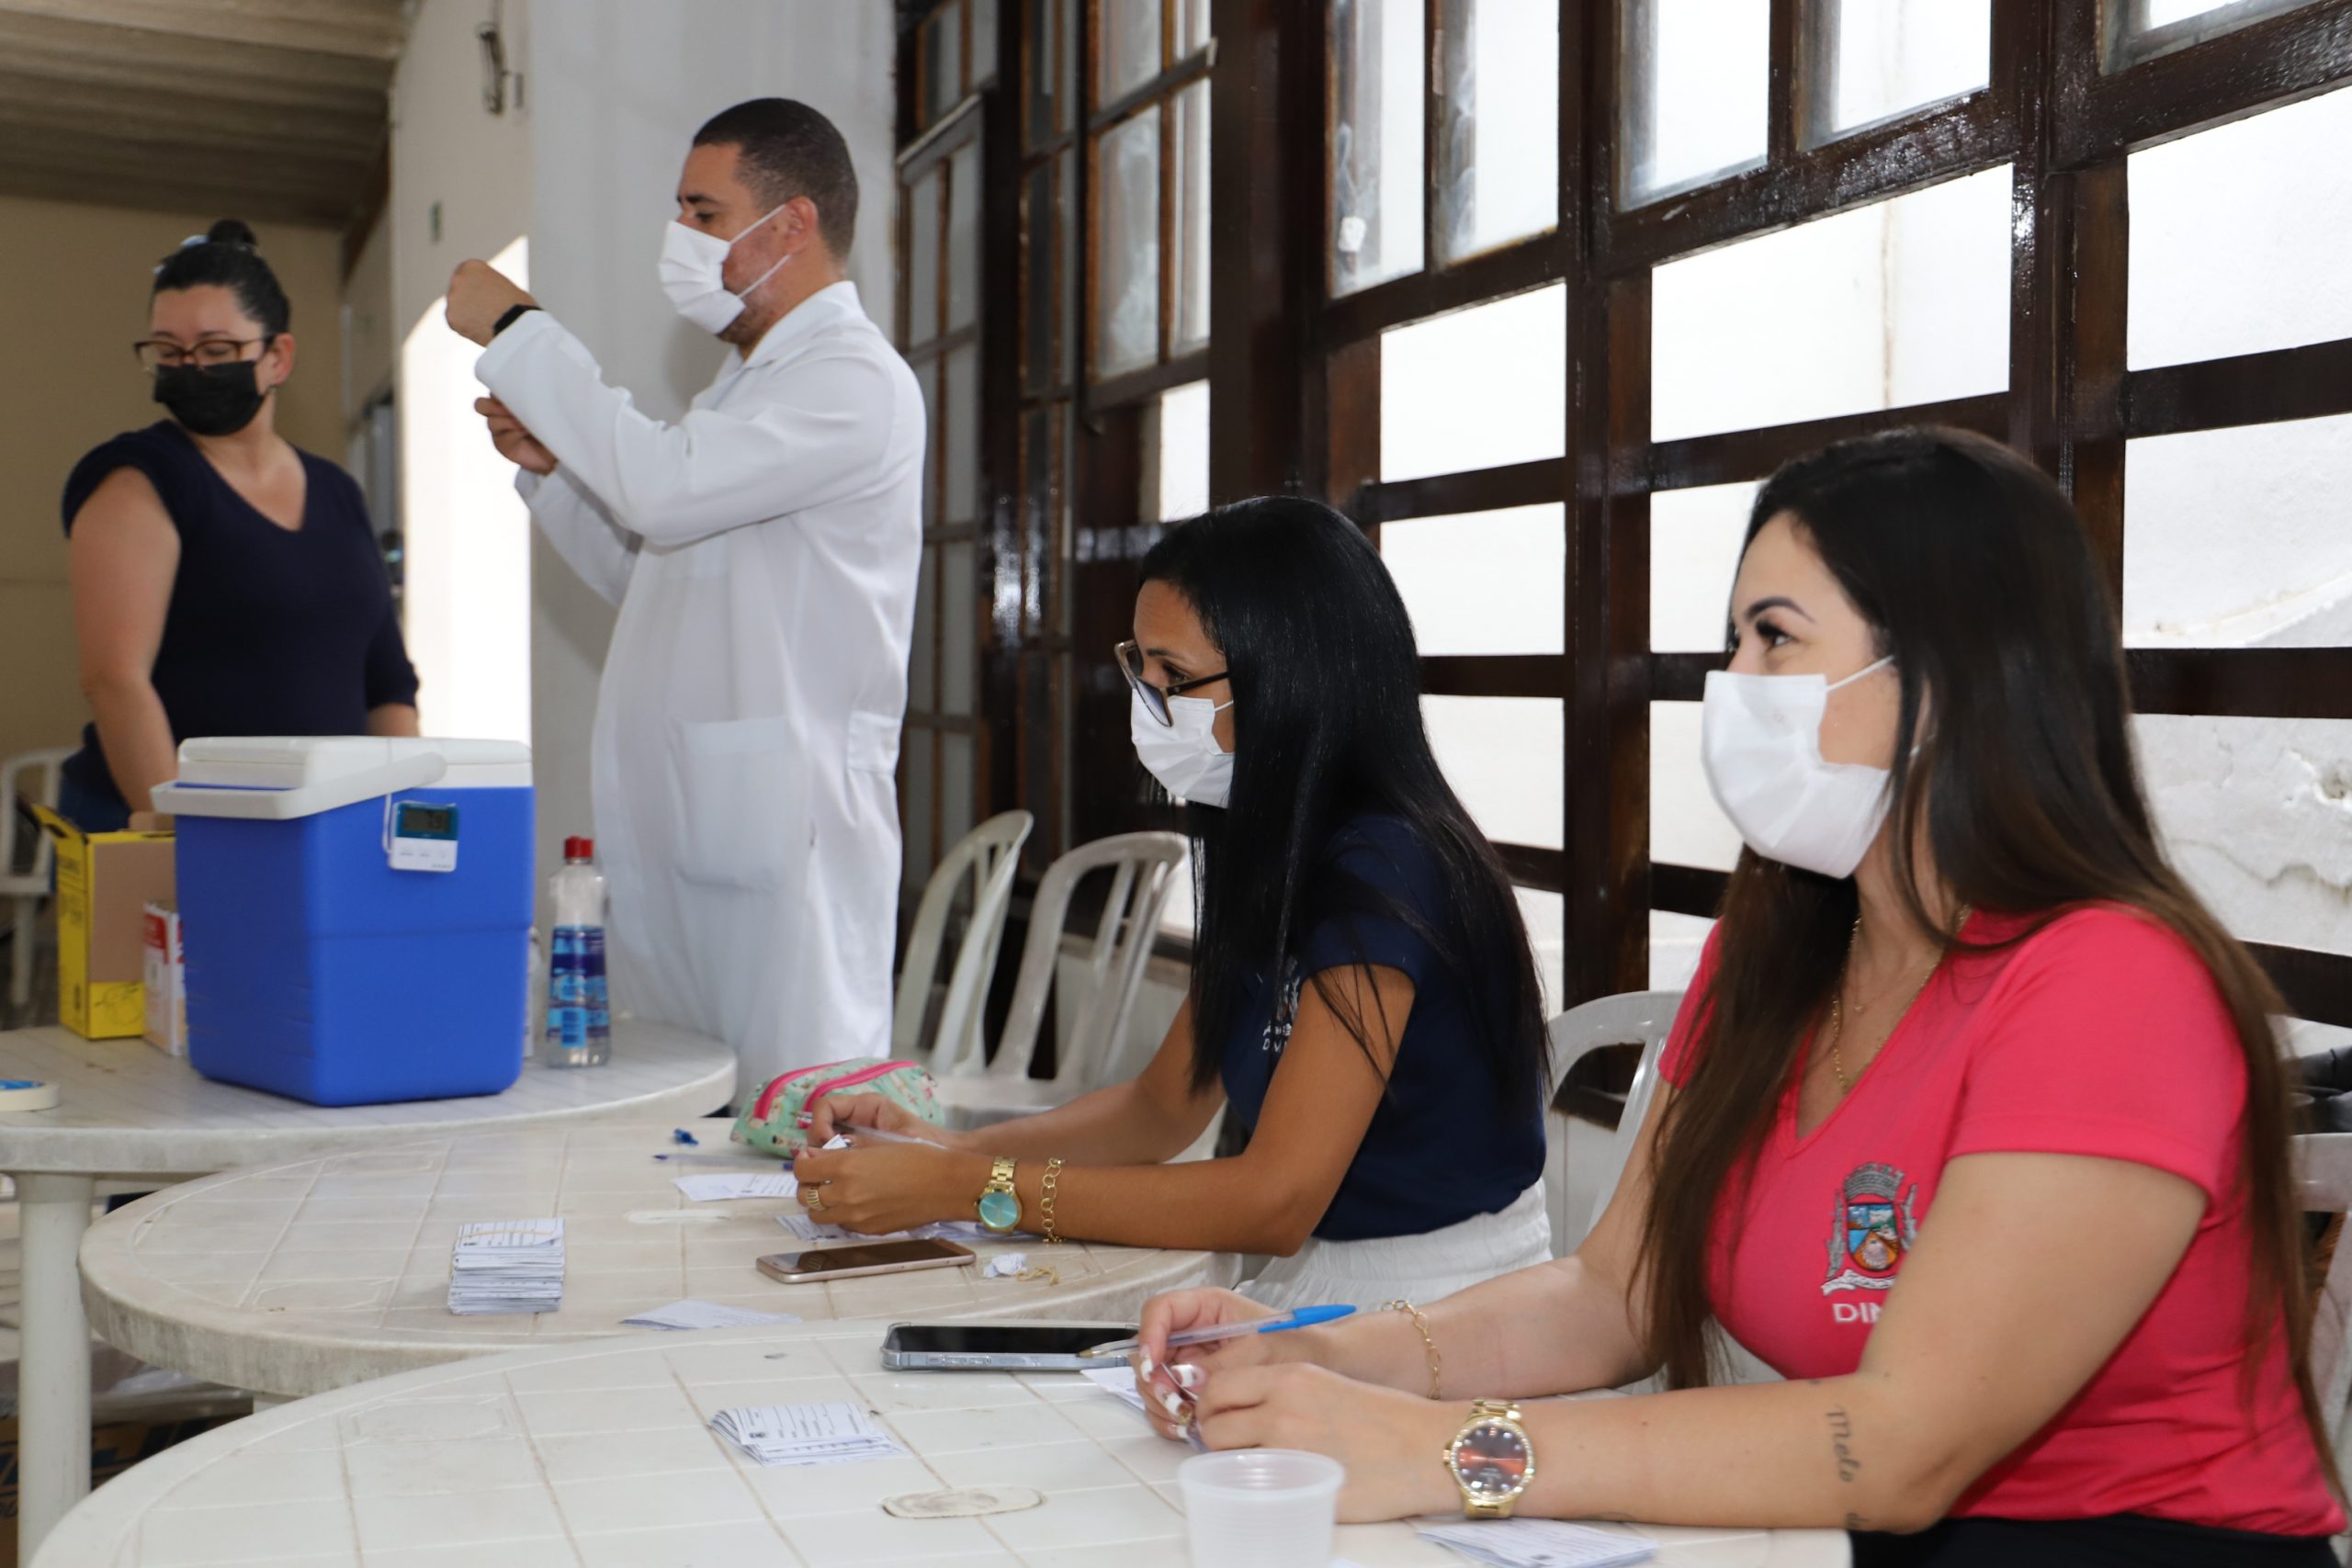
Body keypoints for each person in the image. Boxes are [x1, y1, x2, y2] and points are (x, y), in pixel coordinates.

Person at [1127, 430, 2345, 1564]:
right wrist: (1323, 1355)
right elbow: (1613, 1294)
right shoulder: (1781, 947)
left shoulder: (2111, 982)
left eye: (1774, 638)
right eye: (1735, 640)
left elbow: (1906, 1446)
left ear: (1951, 670)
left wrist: (1453, 1453)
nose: (1734, 681)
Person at [797, 496, 1555, 1308]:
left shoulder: (1385, 866)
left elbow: (1275, 1200)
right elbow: (1159, 1108)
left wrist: (967, 1186)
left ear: (1292, 678)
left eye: (1178, 678)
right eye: (1142, 670)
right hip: (1331, 1282)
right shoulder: (1265, 847)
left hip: (1446, 1301)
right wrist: (941, 1148)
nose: (1151, 704)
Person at [444, 99, 923, 1100]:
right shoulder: (747, 387)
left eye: (703, 213)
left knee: (789, 1127)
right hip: (704, 824)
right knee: (679, 1119)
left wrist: (523, 331)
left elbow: (659, 487)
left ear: (790, 223)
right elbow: (657, 574)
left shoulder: (849, 381)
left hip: (783, 839)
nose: (682, 238)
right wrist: (555, 471)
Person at [62, 220, 418, 832]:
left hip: (312, 825)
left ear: (277, 356)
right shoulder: (138, 481)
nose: (191, 367)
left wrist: (398, 819)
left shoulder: (336, 491)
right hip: (162, 826)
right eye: (169, 351)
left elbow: (387, 684)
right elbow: (115, 680)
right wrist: (181, 837)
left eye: (216, 350)